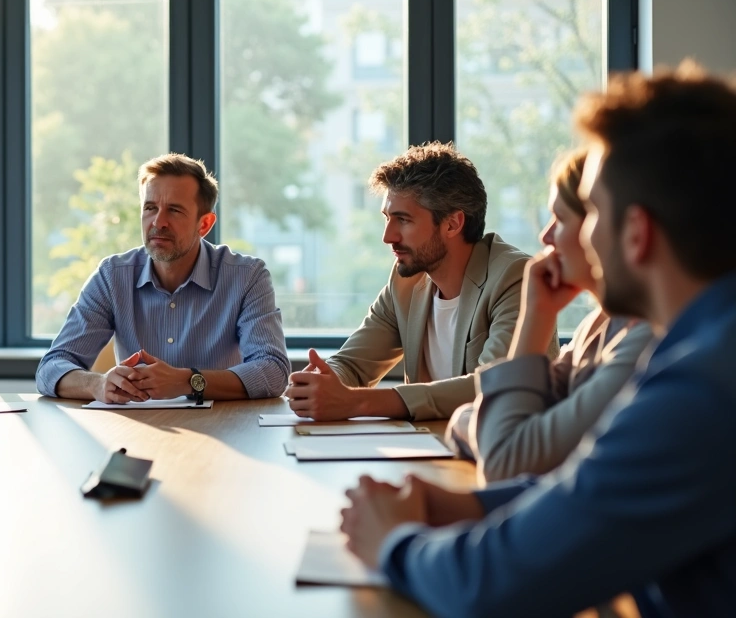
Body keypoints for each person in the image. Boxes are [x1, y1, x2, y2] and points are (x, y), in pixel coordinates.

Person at [339, 63, 736, 618]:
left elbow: (491, 584)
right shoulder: (698, 349)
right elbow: (598, 489)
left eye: (592, 210)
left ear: (637, 233)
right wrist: (466, 503)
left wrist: (391, 543)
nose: (564, 238)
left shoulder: (701, 390)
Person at [285, 142, 557, 422]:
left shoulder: (516, 276)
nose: (388, 236)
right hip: (433, 449)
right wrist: (322, 382)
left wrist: (359, 402)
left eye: (403, 220)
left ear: (452, 224)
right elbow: (354, 364)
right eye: (387, 218)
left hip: (506, 454)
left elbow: (492, 386)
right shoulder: (407, 281)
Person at [446, 148, 653, 482]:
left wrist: (536, 316)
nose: (545, 237)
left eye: (561, 219)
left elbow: (505, 459)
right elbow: (470, 420)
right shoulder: (598, 324)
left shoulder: (646, 344)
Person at [36, 153, 288, 403]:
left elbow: (273, 371)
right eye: (150, 208)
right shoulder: (113, 276)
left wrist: (186, 381)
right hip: (137, 433)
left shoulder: (246, 277)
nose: (159, 221)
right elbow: (50, 369)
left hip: (223, 429)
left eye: (175, 210)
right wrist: (97, 384)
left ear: (205, 224)